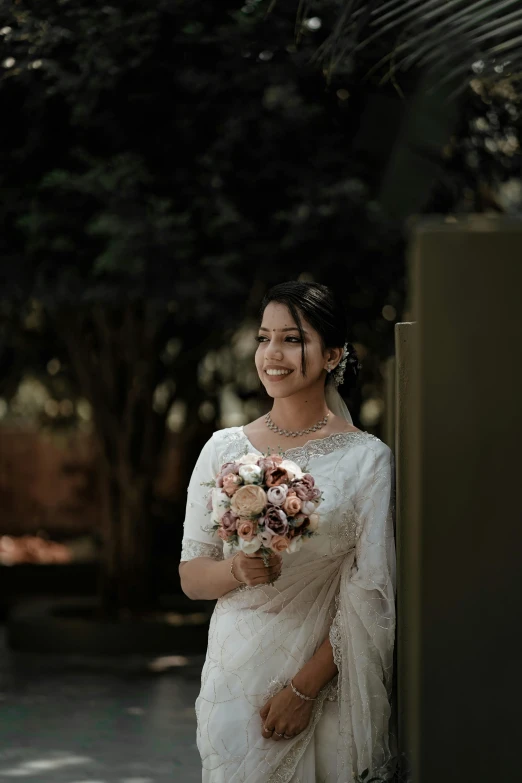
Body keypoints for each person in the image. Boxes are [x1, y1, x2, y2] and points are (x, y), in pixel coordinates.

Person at [179, 281, 396, 783]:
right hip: (235, 677)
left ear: (332, 355)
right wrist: (235, 568)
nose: (272, 354)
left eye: (292, 340)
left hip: (324, 683)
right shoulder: (222, 449)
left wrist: (304, 689)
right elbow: (192, 575)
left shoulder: (368, 459)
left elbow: (371, 593)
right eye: (263, 338)